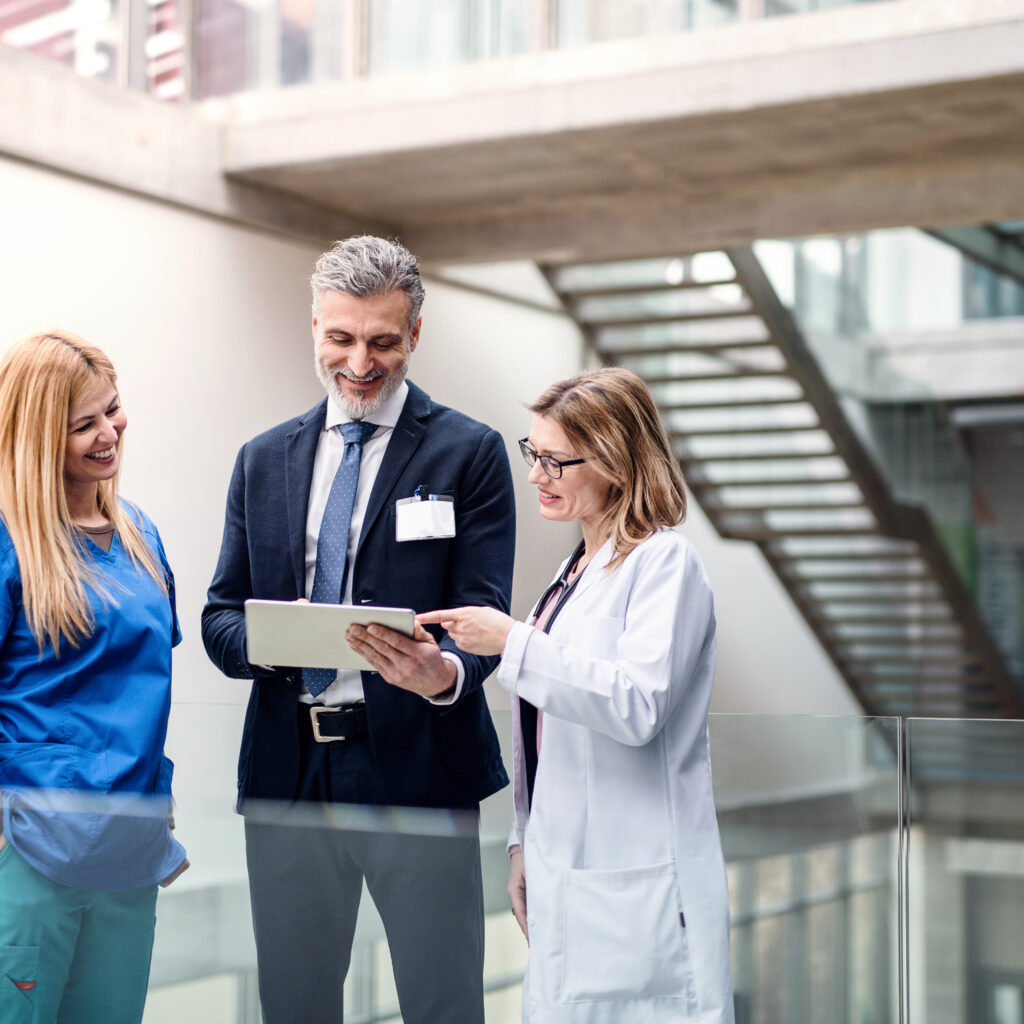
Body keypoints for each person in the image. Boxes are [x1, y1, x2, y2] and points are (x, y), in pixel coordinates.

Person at [201, 235, 515, 1024]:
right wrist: (274, 642)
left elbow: (483, 614)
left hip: (420, 772)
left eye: (382, 341)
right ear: (314, 327)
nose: (360, 362)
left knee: (443, 1003)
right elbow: (219, 617)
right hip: (288, 773)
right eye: (341, 338)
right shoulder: (260, 459)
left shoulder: (468, 452)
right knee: (295, 1006)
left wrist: (440, 673)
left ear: (414, 335)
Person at [418, 367, 735, 1024]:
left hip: (638, 887)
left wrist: (512, 643)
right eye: (532, 453)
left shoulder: (664, 564)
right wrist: (521, 844)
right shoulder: (571, 575)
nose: (536, 475)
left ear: (617, 460)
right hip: (562, 873)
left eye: (556, 461)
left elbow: (636, 707)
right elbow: (545, 736)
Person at [0, 331, 187, 1024]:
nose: (110, 433)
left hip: (129, 846)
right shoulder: (8, 538)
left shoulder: (138, 532)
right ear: (37, 435)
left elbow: (145, 679)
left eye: (114, 410)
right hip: (29, 848)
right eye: (84, 424)